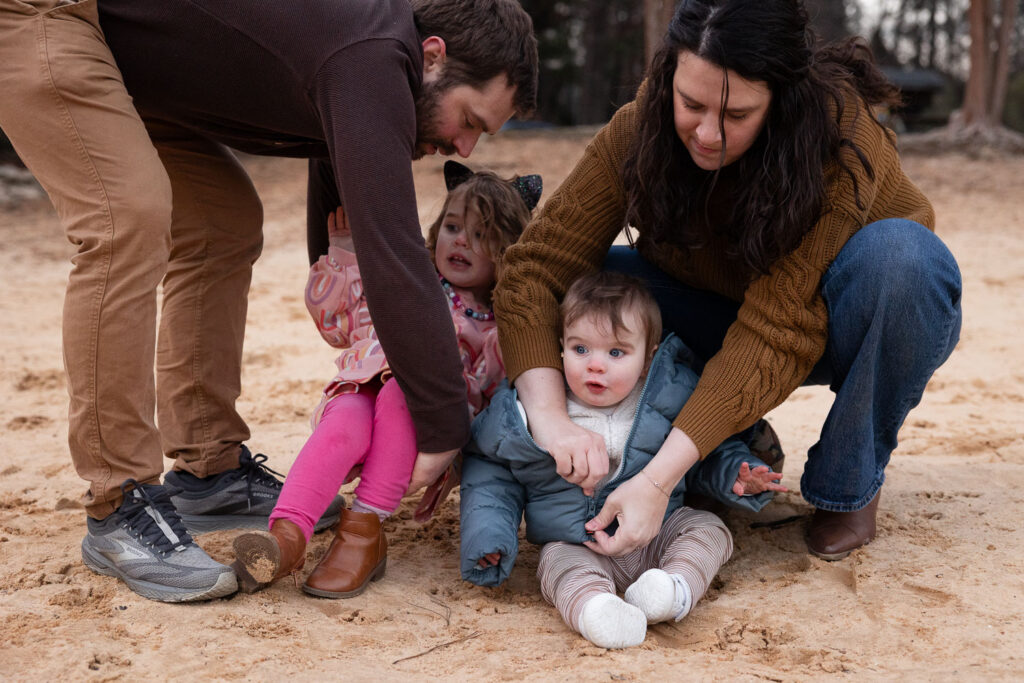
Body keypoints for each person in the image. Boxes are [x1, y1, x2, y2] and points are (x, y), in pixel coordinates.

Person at [0, 0, 538, 602]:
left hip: (132, 65)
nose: (463, 146)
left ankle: (209, 472)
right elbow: (392, 244)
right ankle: (118, 503)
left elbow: (349, 193)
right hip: (51, 14)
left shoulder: (372, 55)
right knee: (127, 217)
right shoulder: (375, 53)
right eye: (469, 119)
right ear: (433, 56)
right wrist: (441, 428)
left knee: (222, 222)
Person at [493, 0, 961, 564]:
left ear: (781, 103)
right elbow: (536, 268)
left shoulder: (840, 140)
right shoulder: (641, 125)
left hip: (842, 317)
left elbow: (776, 328)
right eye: (690, 104)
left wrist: (658, 482)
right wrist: (550, 421)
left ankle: (847, 479)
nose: (708, 134)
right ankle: (704, 434)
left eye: (737, 115)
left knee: (906, 260)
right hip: (708, 307)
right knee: (595, 287)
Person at [231, 161, 542, 598]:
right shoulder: (409, 282)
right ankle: (287, 538)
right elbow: (339, 328)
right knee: (341, 428)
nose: (460, 241)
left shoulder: (495, 330)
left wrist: (454, 458)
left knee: (404, 388)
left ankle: (363, 531)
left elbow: (487, 400)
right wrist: (342, 253)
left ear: (506, 251)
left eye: (480, 235)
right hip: (362, 386)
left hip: (419, 416)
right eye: (452, 226)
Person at [461, 272, 785, 648]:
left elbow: (703, 452)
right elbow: (491, 473)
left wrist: (736, 475)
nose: (595, 365)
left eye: (616, 353)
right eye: (581, 349)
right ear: (560, 347)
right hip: (577, 541)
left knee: (707, 528)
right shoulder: (526, 410)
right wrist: (489, 535)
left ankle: (671, 589)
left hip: (656, 531)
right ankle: (595, 610)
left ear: (647, 359)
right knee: (555, 564)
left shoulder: (671, 394)